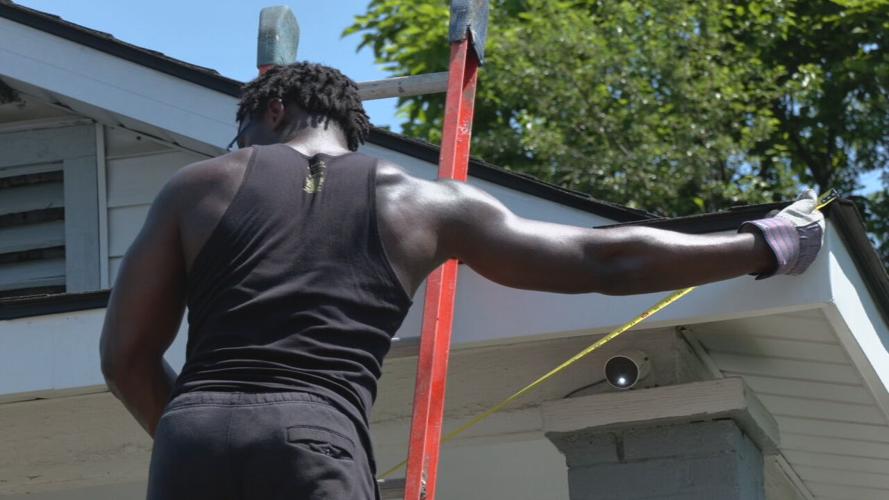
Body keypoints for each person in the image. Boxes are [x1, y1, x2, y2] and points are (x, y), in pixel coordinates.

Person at [98, 62, 824, 500]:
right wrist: (763, 244)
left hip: (190, 434)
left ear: (275, 108)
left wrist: (199, 435)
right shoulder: (424, 202)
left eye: (243, 133)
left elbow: (125, 357)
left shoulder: (195, 188)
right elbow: (606, 260)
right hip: (315, 437)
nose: (240, 149)